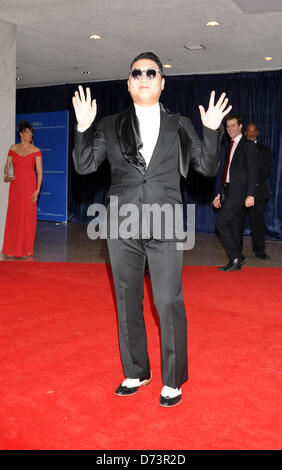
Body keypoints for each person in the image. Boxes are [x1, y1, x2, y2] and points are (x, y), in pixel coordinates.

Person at [72, 52, 231, 407]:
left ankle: (173, 379)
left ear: (162, 82)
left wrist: (211, 129)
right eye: (136, 73)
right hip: (120, 223)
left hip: (165, 220)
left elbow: (205, 167)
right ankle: (136, 371)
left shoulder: (180, 124)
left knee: (168, 300)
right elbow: (84, 166)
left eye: (151, 72)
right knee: (127, 300)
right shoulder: (109, 124)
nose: (143, 76)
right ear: (129, 84)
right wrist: (83, 128)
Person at [213, 115, 258, 272]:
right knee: (234, 227)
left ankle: (237, 256)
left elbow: (253, 172)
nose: (230, 129)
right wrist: (220, 194)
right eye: (227, 126)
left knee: (221, 223)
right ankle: (235, 261)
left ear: (240, 126)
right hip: (229, 191)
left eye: (233, 125)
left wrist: (251, 194)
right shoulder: (230, 146)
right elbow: (227, 174)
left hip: (240, 193)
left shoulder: (248, 145)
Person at [2, 121, 43, 258]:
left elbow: (40, 172)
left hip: (29, 188)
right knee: (14, 216)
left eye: (31, 132)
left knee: (28, 217)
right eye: (27, 132)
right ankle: (11, 248)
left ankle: (27, 249)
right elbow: (7, 168)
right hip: (15, 188)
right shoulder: (13, 148)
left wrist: (37, 190)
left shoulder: (36, 150)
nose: (30, 134)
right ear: (20, 134)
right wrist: (7, 177)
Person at [244, 123, 272, 260]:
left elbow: (265, 172)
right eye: (249, 131)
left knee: (258, 225)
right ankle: (235, 252)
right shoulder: (238, 149)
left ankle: (260, 251)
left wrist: (251, 184)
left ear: (258, 133)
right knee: (235, 223)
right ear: (245, 133)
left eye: (254, 131)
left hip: (258, 193)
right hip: (240, 191)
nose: (251, 133)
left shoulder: (265, 150)